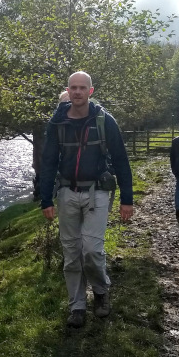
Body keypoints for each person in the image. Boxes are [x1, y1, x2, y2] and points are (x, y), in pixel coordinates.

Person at [39, 71, 134, 328]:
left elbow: (122, 161)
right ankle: (77, 305)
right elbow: (47, 162)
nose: (77, 92)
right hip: (67, 193)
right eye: (73, 88)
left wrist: (127, 198)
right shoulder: (57, 123)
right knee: (71, 254)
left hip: (98, 191)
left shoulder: (105, 121)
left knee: (91, 249)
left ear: (90, 91)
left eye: (82, 87)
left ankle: (101, 292)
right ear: (67, 91)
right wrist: (45, 198)